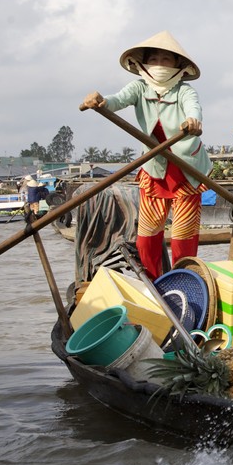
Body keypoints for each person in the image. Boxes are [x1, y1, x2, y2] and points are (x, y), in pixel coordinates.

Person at [80, 30, 211, 280]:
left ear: (178, 66)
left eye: (166, 60)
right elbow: (117, 100)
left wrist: (193, 121)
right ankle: (152, 282)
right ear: (144, 63)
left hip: (186, 168)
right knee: (148, 233)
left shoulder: (184, 91)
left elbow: (194, 109)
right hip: (154, 166)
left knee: (184, 233)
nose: (160, 66)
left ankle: (185, 281)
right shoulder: (139, 87)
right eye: (155, 60)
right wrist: (100, 101)